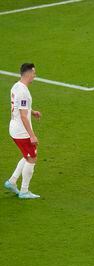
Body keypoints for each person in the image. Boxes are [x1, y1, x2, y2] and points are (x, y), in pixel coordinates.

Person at [4, 63, 41, 199]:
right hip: (21, 131)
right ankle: (24, 191)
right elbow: (23, 116)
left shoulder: (16, 86)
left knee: (27, 156)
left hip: (14, 127)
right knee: (32, 158)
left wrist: (33, 111)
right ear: (28, 73)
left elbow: (20, 108)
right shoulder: (24, 91)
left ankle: (12, 181)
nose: (35, 75)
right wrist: (32, 135)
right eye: (34, 73)